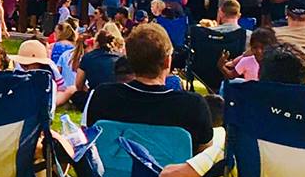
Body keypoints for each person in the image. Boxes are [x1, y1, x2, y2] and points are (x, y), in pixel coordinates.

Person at [82, 22, 213, 151]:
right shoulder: (193, 106)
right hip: (170, 171)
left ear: (129, 59)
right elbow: (203, 158)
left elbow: (88, 144)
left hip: (113, 172)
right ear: (168, 61)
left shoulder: (102, 97)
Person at [73, 22, 124, 95]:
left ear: (96, 43)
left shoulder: (88, 58)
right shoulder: (120, 58)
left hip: (96, 96)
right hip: (117, 96)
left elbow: (78, 84)